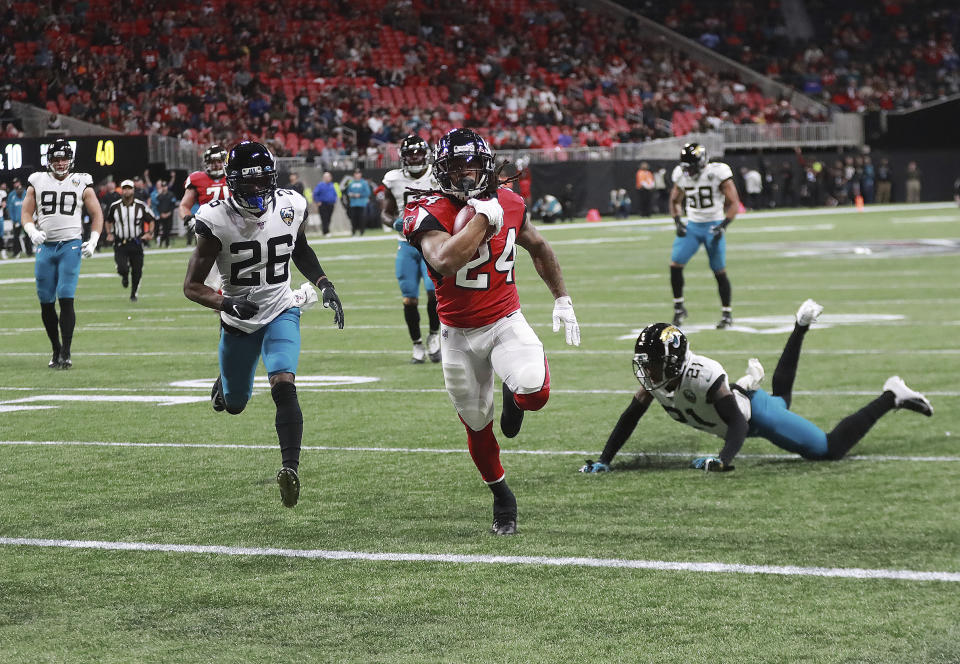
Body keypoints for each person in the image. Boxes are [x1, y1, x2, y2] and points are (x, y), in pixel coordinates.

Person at [403, 128, 581, 535]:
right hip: (457, 334)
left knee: (534, 392)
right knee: (477, 423)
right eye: (456, 168)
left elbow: (537, 245)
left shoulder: (511, 202)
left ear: (485, 168)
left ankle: (513, 395)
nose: (466, 176)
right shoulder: (423, 209)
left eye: (472, 166)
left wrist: (561, 298)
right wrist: (485, 216)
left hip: (504, 321)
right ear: (440, 171)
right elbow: (445, 261)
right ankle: (502, 496)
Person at [579, 300, 933, 474]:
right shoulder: (658, 382)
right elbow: (630, 417)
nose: (648, 371)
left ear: (673, 361)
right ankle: (799, 325)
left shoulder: (703, 373)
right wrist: (605, 461)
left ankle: (891, 394)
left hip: (754, 416)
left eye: (653, 363)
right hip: (742, 406)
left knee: (827, 449)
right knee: (782, 400)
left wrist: (723, 460)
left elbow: (737, 424)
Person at [183, 141, 345, 508]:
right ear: (232, 181)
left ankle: (290, 469)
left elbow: (299, 248)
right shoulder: (214, 219)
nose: (256, 190)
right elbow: (191, 286)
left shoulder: (290, 204)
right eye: (248, 182)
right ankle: (224, 383)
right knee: (235, 404)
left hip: (281, 309)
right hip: (238, 319)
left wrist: (324, 283)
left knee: (283, 382)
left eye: (262, 181)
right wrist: (226, 302)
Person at [20, 138, 105, 369]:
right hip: (45, 247)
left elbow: (97, 213)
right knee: (45, 301)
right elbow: (26, 212)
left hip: (71, 245)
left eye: (64, 158)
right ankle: (55, 349)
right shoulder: (37, 180)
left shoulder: (81, 181)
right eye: (56, 158)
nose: (60, 162)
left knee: (66, 297)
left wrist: (94, 239)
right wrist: (30, 230)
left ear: (71, 159)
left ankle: (66, 352)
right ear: (49, 160)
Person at [381, 135, 442, 363]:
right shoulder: (393, 179)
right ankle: (417, 343)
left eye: (418, 153)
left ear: (426, 154)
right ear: (403, 158)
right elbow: (385, 212)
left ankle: (434, 337)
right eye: (410, 154)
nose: (415, 157)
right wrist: (394, 222)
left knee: (433, 293)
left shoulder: (436, 176)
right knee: (409, 298)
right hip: (406, 245)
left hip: (431, 243)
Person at [668, 142, 741, 329]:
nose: (687, 171)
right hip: (692, 226)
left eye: (691, 166)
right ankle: (679, 308)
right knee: (675, 264)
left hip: (713, 225)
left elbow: (734, 203)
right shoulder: (680, 174)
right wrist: (677, 221)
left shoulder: (718, 172)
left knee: (719, 270)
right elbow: (675, 199)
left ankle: (727, 313)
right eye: (685, 166)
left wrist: (723, 225)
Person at [105, 179, 154, 301]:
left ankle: (133, 294)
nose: (127, 191)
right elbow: (108, 220)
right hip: (120, 243)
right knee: (122, 268)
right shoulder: (115, 206)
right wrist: (109, 233)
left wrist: (149, 233)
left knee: (137, 271)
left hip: (136, 242)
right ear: (121, 190)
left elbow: (152, 219)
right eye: (125, 188)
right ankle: (124, 276)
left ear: (133, 190)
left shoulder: (140, 205)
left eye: (129, 188)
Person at [180, 144, 230, 246]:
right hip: (208, 227)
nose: (216, 165)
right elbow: (184, 206)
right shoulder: (197, 178)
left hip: (234, 225)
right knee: (207, 259)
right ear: (206, 163)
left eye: (219, 161)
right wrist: (190, 220)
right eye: (212, 162)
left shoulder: (233, 176)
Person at [343, 169, 372, 236]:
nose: (357, 175)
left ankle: (362, 231)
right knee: (353, 218)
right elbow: (348, 192)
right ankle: (353, 231)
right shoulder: (351, 183)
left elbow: (368, 193)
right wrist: (351, 194)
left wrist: (360, 195)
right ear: (354, 174)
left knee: (361, 218)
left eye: (358, 173)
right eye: (356, 173)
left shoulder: (364, 183)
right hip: (353, 203)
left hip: (362, 203)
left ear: (360, 174)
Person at [6, 178, 28, 257]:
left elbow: (30, 205)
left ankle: (29, 252)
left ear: (20, 183)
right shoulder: (11, 195)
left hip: (26, 219)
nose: (16, 184)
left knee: (28, 236)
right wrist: (13, 220)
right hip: (16, 220)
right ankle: (16, 252)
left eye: (17, 182)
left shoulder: (25, 193)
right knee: (16, 237)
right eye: (14, 183)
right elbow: (9, 208)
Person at [153, 180, 178, 248]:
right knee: (164, 230)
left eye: (165, 186)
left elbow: (173, 205)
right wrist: (161, 213)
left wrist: (169, 213)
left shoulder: (171, 195)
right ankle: (167, 244)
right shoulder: (159, 196)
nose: (164, 188)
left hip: (169, 215)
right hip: (162, 215)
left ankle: (161, 240)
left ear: (167, 187)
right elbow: (157, 206)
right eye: (163, 186)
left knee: (169, 229)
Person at [312, 171, 338, 237]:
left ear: (331, 178)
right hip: (323, 204)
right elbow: (315, 194)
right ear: (323, 178)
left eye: (328, 177)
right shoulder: (320, 185)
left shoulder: (332, 185)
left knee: (329, 218)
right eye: (325, 177)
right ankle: (326, 232)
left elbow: (335, 194)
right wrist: (317, 201)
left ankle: (326, 231)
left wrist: (334, 200)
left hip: (331, 204)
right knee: (324, 218)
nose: (327, 178)